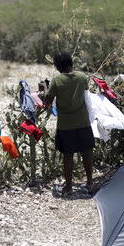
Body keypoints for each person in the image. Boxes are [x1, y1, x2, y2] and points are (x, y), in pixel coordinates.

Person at [44, 52, 94, 196]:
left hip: (66, 125)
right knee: (87, 152)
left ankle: (69, 187)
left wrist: (45, 87)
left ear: (57, 66)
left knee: (68, 155)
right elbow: (85, 93)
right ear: (71, 63)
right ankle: (90, 182)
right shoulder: (82, 77)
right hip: (83, 122)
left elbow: (47, 102)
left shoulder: (56, 80)